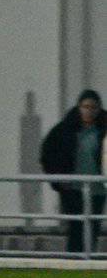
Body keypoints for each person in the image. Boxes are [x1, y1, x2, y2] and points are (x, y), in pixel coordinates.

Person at [41, 90, 106, 253]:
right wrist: (58, 180)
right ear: (79, 107)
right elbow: (47, 154)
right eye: (85, 107)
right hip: (73, 189)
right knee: (76, 227)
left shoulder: (103, 130)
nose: (89, 111)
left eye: (93, 107)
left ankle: (87, 258)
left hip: (98, 189)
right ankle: (74, 259)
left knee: (93, 227)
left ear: (99, 109)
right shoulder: (65, 129)